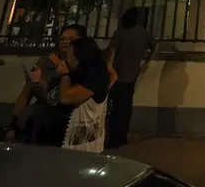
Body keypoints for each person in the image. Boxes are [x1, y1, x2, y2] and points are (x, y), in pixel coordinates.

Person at [5, 24, 87, 146]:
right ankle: (13, 126)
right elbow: (33, 87)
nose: (65, 42)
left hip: (69, 109)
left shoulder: (85, 62)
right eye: (62, 39)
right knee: (31, 87)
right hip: (47, 107)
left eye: (70, 39)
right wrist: (38, 81)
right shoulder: (48, 59)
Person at [105, 8, 156, 149]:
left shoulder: (120, 32)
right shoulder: (143, 33)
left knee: (115, 108)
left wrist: (109, 69)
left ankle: (114, 139)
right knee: (126, 107)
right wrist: (146, 61)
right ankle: (122, 137)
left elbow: (111, 52)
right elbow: (153, 46)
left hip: (117, 74)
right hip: (132, 73)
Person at [58, 37, 113, 152]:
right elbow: (113, 74)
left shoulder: (94, 79)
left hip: (83, 150)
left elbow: (66, 98)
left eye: (69, 56)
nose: (67, 60)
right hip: (87, 145)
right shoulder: (96, 73)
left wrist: (65, 75)